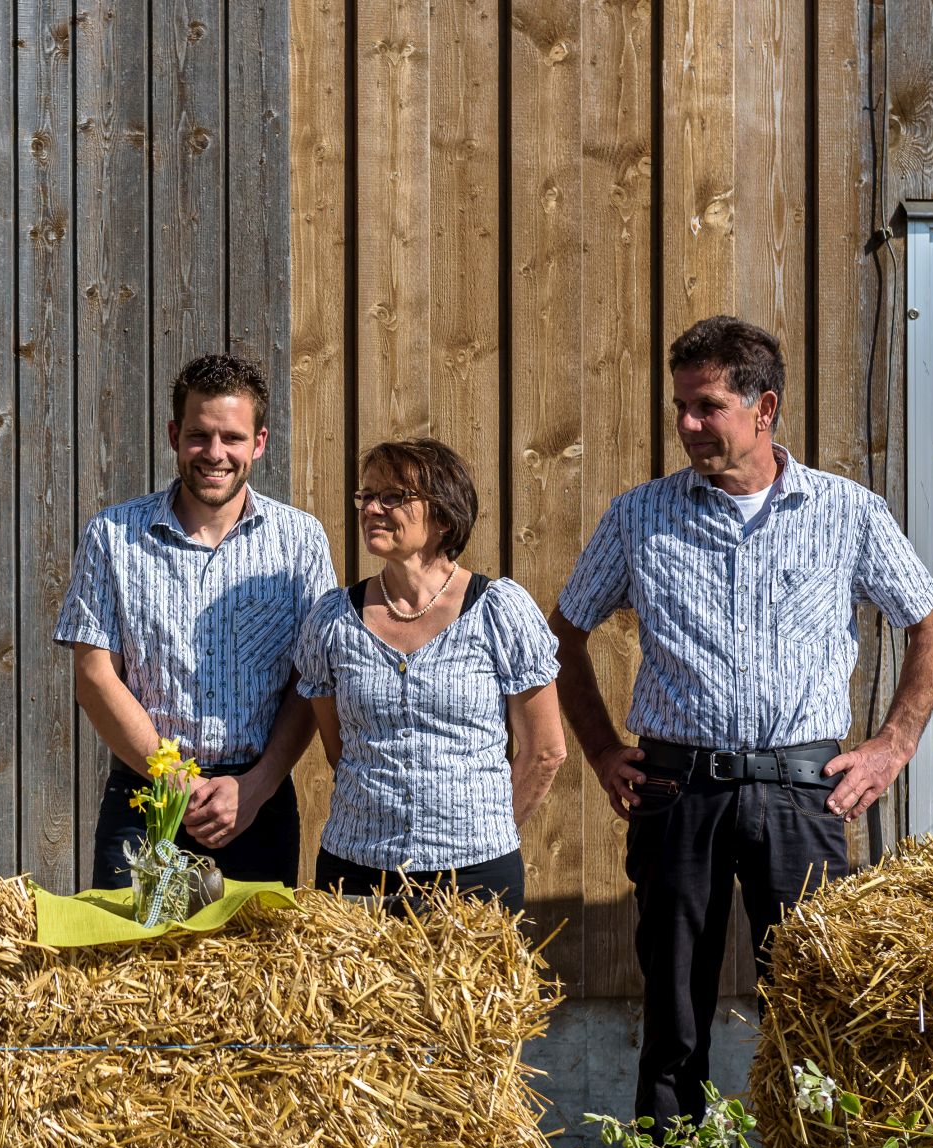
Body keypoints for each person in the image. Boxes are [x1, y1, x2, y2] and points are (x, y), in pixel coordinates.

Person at [551, 315, 933, 1148]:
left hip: (801, 796)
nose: (689, 423)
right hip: (676, 792)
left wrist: (894, 740)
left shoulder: (844, 512)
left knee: (818, 1027)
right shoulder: (639, 515)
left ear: (762, 407)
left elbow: (931, 619)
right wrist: (603, 751)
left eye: (708, 405)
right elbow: (560, 632)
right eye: (680, 405)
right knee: (674, 1030)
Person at [56, 353, 334, 890]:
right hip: (144, 801)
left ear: (259, 443)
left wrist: (256, 788)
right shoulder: (113, 535)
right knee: (129, 971)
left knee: (255, 973)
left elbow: (313, 681)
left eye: (231, 438)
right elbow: (94, 677)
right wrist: (175, 780)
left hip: (256, 804)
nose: (214, 454)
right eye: (198, 435)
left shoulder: (300, 542)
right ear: (173, 435)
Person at [295, 438, 565, 915]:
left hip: (475, 881)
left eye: (393, 496)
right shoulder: (332, 620)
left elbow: (545, 751)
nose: (373, 508)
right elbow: (341, 750)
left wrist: (488, 832)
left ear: (442, 515)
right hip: (357, 876)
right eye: (367, 496)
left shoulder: (499, 610)